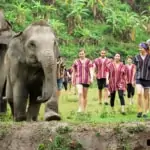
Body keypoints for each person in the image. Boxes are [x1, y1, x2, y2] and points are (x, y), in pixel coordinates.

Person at [133, 42, 150, 118]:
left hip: (147, 79)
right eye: (139, 47)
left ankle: (145, 112)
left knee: (146, 96)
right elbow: (134, 68)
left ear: (145, 49)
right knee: (139, 93)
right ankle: (139, 110)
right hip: (139, 78)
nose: (140, 49)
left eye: (141, 47)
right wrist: (133, 79)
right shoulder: (136, 57)